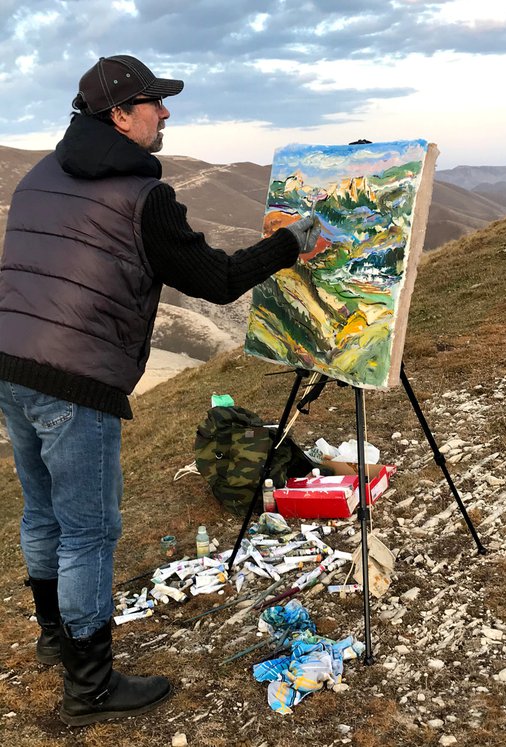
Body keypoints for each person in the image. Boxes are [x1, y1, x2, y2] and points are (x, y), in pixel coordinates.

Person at [0, 54, 320, 727]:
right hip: (73, 380)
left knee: (42, 513)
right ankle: (89, 687)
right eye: (154, 102)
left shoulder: (38, 175)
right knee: (89, 530)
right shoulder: (143, 197)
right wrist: (291, 243)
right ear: (119, 115)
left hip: (10, 365)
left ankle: (56, 637)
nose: (165, 112)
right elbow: (218, 278)